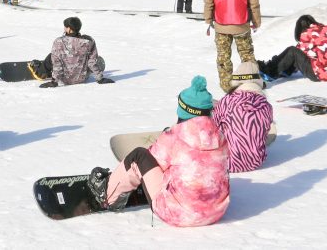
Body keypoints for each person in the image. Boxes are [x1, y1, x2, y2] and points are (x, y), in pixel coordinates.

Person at [88, 76, 230, 227]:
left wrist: (165, 137)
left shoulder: (175, 137)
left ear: (183, 110)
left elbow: (152, 160)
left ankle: (107, 194)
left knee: (139, 156)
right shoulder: (220, 136)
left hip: (179, 214)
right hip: (216, 212)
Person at [203, 0, 261, 92]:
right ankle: (251, 84)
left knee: (223, 57)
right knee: (247, 55)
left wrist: (208, 19)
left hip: (221, 24)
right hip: (241, 24)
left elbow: (209, 0)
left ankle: (227, 87)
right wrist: (256, 21)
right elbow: (253, 0)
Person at [211, 61, 275, 173]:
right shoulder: (266, 105)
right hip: (256, 162)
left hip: (228, 162)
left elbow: (214, 126)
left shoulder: (227, 101)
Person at [30, 17, 112, 87]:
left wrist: (54, 82)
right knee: (88, 57)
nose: (64, 29)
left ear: (69, 29)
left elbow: (57, 63)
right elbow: (92, 62)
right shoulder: (89, 41)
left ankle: (41, 72)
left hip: (64, 79)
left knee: (51, 56)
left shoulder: (59, 41)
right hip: (82, 78)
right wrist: (100, 79)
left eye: (65, 27)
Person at [258, 14, 327, 82]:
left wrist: (277, 61)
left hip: (320, 73)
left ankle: (270, 72)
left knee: (292, 51)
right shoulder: (320, 32)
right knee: (295, 53)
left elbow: (298, 52)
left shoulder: (309, 33)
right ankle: (286, 70)